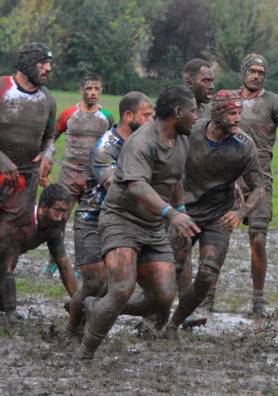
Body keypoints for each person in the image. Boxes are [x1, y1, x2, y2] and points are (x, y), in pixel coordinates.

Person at [77, 86, 200, 360]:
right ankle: (85, 355)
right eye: (193, 111)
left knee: (163, 297)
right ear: (178, 112)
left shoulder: (181, 140)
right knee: (122, 288)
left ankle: (97, 305)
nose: (197, 117)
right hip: (122, 219)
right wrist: (172, 214)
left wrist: (180, 210)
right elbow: (136, 186)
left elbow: (175, 178)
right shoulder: (142, 141)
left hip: (153, 225)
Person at [162, 90, 265, 337]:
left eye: (239, 112)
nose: (238, 118)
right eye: (232, 112)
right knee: (169, 269)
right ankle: (153, 316)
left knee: (207, 275)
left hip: (218, 217)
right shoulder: (191, 133)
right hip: (185, 211)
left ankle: (175, 323)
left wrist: (241, 213)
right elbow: (168, 161)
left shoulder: (244, 145)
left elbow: (260, 187)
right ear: (217, 114)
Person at [224, 53, 278, 315]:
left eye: (261, 72)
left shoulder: (274, 102)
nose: (257, 75)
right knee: (216, 238)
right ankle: (207, 296)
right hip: (227, 180)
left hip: (260, 182)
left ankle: (258, 300)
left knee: (258, 239)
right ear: (243, 72)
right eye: (253, 71)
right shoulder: (229, 100)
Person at [66, 92, 153, 336]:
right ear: (128, 116)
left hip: (124, 220)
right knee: (95, 283)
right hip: (92, 219)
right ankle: (71, 329)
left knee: (118, 285)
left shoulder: (145, 144)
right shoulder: (106, 146)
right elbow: (116, 188)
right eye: (147, 115)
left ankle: (90, 316)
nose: (152, 120)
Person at [0, 42, 57, 315]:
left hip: (25, 180)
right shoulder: (2, 89)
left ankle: (7, 303)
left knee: (11, 235)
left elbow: (50, 138)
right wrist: (3, 160)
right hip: (1, 172)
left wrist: (48, 155)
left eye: (49, 63)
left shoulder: (48, 100)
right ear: (26, 64)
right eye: (42, 63)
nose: (48, 68)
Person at [0, 184, 76, 313]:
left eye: (64, 211)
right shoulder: (21, 220)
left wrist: (78, 300)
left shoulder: (54, 228)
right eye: (58, 210)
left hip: (9, 253)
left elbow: (63, 265)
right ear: (42, 208)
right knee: (6, 276)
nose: (62, 216)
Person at [54, 73, 115, 207]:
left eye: (96, 89)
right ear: (81, 90)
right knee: (60, 213)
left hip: (94, 175)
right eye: (89, 88)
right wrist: (46, 159)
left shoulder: (107, 117)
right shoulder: (68, 114)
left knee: (89, 221)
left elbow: (114, 144)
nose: (93, 93)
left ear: (101, 91)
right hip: (69, 174)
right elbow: (52, 137)